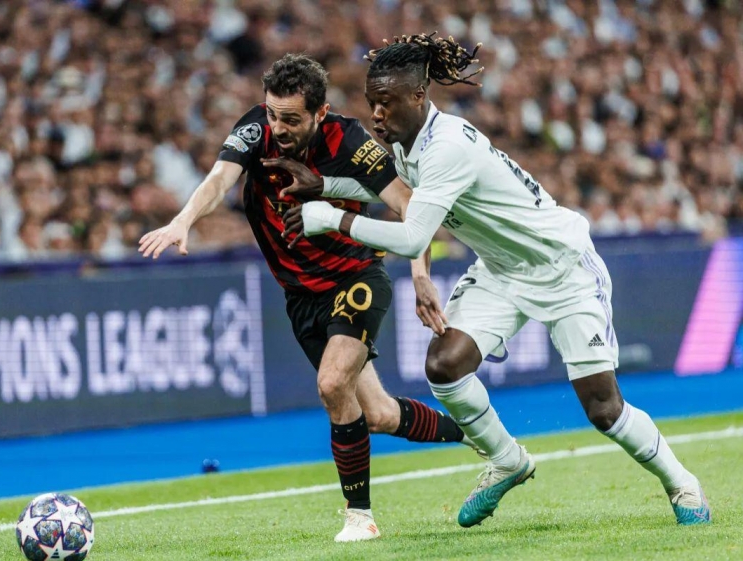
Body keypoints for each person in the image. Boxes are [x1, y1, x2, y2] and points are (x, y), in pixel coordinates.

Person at [280, 34, 711, 527]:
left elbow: (413, 235)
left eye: (386, 103)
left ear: (418, 96)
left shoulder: (447, 147)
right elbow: (400, 192)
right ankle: (507, 460)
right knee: (444, 365)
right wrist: (326, 185)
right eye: (371, 103)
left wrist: (329, 217)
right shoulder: (408, 141)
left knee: (603, 409)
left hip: (561, 266)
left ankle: (682, 482)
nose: (376, 114)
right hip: (502, 270)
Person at [138, 53, 483, 542]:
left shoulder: (350, 142)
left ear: (320, 112)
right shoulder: (256, 130)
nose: (278, 127)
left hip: (357, 277)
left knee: (332, 382)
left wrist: (420, 274)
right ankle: (474, 434)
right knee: (379, 414)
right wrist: (183, 220)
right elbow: (219, 179)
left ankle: (359, 517)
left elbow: (410, 205)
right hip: (301, 297)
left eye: (291, 119)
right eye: (272, 114)